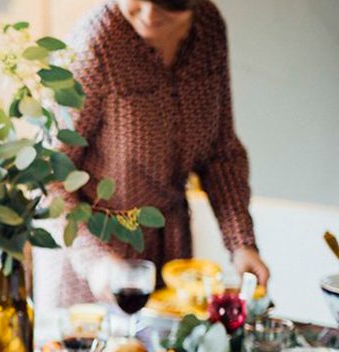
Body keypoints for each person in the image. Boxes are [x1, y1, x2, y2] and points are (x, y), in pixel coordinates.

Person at [34, 0, 270, 310]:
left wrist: (241, 243)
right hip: (91, 273)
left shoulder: (209, 31)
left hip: (170, 263)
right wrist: (96, 261)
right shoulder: (97, 43)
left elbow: (220, 152)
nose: (148, 14)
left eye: (165, 4)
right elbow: (50, 176)